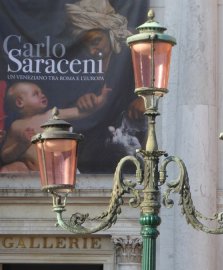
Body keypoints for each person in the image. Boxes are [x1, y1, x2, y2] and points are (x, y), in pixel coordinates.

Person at [61, 0, 147, 173]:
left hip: (130, 137)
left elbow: (155, 83)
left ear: (109, 31)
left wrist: (144, 99)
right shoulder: (87, 62)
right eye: (87, 45)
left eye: (96, 41)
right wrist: (87, 100)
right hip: (97, 141)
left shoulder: (132, 52)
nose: (93, 51)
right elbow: (89, 95)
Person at [0, 81, 111, 171]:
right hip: (29, 170)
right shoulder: (16, 126)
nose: (42, 94)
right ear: (20, 102)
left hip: (53, 172)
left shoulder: (50, 114)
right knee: (6, 170)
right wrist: (21, 144)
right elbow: (5, 155)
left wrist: (101, 100)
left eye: (41, 92)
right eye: (35, 93)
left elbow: (78, 112)